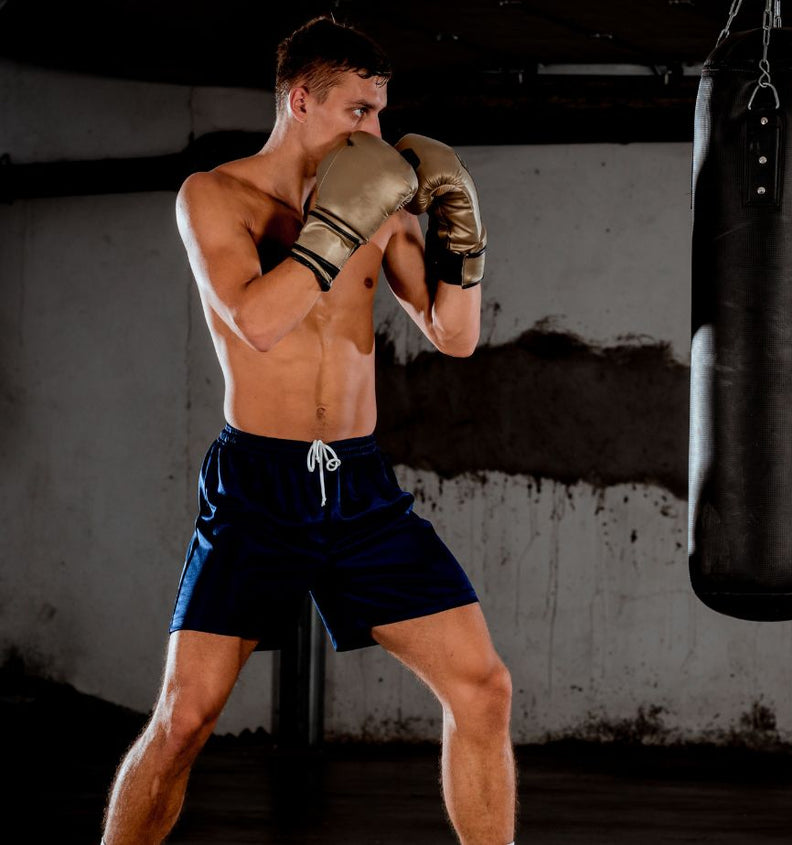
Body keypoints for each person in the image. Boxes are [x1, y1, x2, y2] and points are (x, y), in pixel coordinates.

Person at [100, 16, 515, 844]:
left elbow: (454, 333)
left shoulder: (383, 202)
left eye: (382, 112)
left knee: (484, 689)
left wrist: (459, 236)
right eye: (360, 111)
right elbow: (256, 321)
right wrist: (340, 228)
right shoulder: (215, 196)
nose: (377, 132)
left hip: (360, 489)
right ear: (301, 99)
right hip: (260, 487)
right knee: (185, 719)